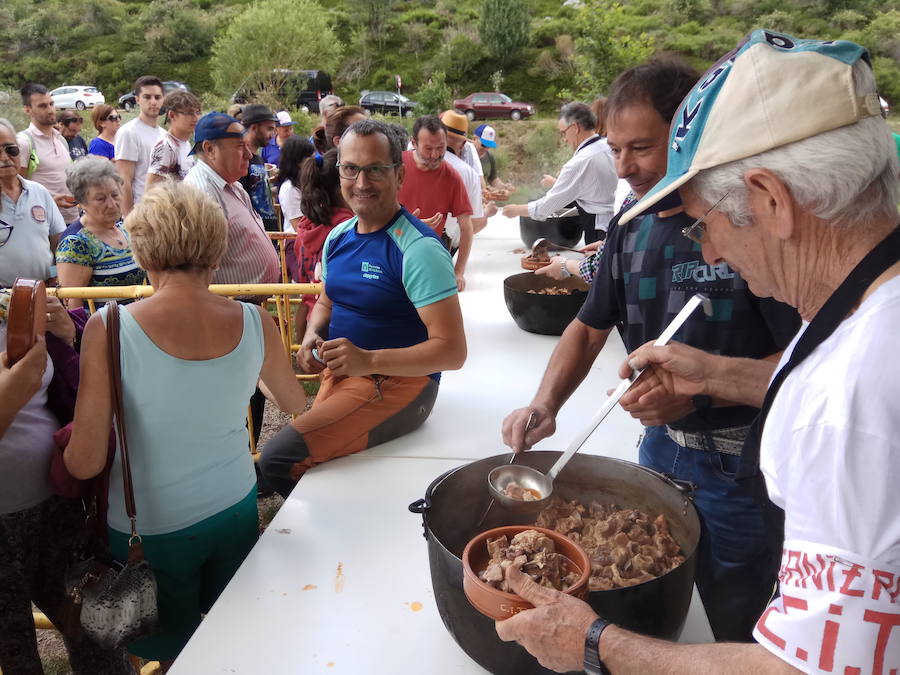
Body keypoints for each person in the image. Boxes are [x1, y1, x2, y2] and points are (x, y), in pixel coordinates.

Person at [496, 31, 900, 675]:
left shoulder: (846, 402)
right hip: (669, 455)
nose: (708, 251)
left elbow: (802, 668)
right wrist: (709, 372)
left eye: (706, 220)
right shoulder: (871, 323)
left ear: (770, 200)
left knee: (736, 600)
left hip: (738, 471)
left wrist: (596, 644)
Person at [501, 59, 801, 644]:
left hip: (742, 464)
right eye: (614, 148)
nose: (625, 167)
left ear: (690, 134)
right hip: (658, 451)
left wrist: (704, 385)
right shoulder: (630, 225)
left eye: (641, 147)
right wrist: (545, 402)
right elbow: (588, 329)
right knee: (646, 585)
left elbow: (807, 366)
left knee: (737, 612)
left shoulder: (745, 226)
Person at [64, 181, 306, 671]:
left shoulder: (108, 328)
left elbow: (84, 460)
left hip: (149, 529)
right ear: (215, 247)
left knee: (174, 656)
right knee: (233, 633)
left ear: (142, 247)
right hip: (234, 505)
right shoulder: (257, 321)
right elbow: (295, 402)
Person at [258, 119, 467, 498]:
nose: (362, 182)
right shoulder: (339, 236)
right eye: (351, 169)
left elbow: (453, 352)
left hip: (400, 385)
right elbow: (327, 298)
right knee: (314, 463)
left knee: (277, 458)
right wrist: (311, 334)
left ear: (399, 174)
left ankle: (329, 538)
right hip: (348, 375)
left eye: (375, 169)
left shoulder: (418, 250)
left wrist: (367, 361)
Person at [0, 292, 133, 675]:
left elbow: (75, 393)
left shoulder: (14, 302)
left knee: (97, 633)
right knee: (15, 650)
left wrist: (67, 338)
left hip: (56, 503)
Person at [183, 112, 281, 289]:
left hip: (241, 304)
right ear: (210, 149)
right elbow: (196, 271)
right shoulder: (199, 194)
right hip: (225, 306)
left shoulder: (232, 185)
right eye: (239, 147)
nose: (249, 155)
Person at [503, 102, 617, 245]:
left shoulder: (579, 162)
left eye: (563, 132)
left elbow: (547, 206)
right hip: (620, 223)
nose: (564, 139)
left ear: (575, 127)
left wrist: (516, 210)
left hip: (600, 230)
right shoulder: (610, 146)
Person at [56, 156, 145, 306]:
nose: (111, 204)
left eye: (115, 195)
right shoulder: (75, 244)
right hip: (103, 327)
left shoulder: (125, 229)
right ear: (82, 202)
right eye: (101, 199)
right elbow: (73, 304)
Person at [399, 115, 474, 291]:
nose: (435, 155)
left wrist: (459, 271)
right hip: (391, 250)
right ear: (414, 143)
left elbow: (466, 227)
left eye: (440, 148)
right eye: (428, 148)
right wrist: (408, 223)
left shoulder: (452, 177)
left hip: (427, 257)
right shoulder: (396, 166)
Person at [291, 148, 353, 339]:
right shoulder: (349, 228)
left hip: (312, 319)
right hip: (340, 321)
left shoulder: (306, 227)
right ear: (341, 186)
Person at [0, 118, 66, 287]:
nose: (5, 157)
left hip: (43, 291)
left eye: (11, 149)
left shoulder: (38, 191)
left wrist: (54, 274)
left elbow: (58, 241)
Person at [16, 83, 78, 224]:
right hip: (44, 222)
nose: (50, 110)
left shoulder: (61, 139)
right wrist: (49, 202)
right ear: (27, 110)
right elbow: (17, 189)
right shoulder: (24, 142)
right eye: (43, 106)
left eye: (51, 104)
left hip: (72, 218)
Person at [115, 75, 165, 216]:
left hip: (165, 212)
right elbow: (124, 180)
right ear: (137, 99)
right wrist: (129, 219)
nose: (153, 102)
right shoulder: (128, 132)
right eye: (147, 97)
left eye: (157, 97)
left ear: (163, 99)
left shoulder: (164, 134)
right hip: (142, 213)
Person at [276, 135, 316, 285]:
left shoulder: (306, 182)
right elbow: (298, 226)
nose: (314, 161)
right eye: (310, 158)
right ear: (298, 162)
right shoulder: (289, 189)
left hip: (310, 239)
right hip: (298, 243)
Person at [439, 110, 488, 235]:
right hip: (445, 242)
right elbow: (473, 226)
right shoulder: (468, 173)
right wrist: (486, 212)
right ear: (463, 144)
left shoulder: (414, 160)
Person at [145, 89, 201, 186]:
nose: (196, 118)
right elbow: (151, 191)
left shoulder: (185, 143)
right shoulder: (166, 146)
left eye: (198, 112)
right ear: (172, 115)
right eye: (189, 113)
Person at [238, 104, 280, 232]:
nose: (272, 135)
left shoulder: (259, 159)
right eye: (269, 129)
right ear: (254, 128)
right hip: (252, 235)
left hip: (268, 234)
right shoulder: (240, 161)